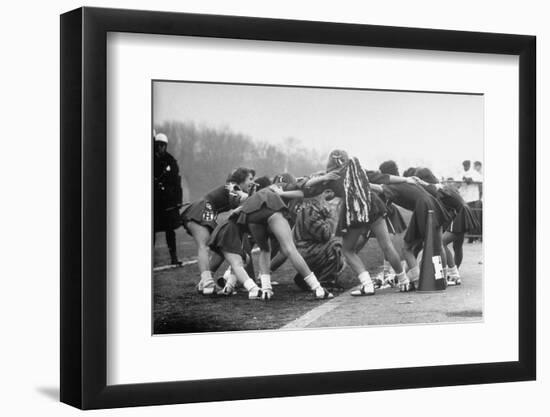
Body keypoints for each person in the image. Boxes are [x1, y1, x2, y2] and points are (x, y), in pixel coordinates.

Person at [297, 150, 418, 295]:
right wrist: (406, 180)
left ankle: (367, 285)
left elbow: (303, 187)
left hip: (353, 211)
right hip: (372, 205)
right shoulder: (358, 170)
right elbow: (384, 178)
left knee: (347, 250)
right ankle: (404, 281)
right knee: (387, 246)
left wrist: (321, 178)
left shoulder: (330, 177)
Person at [234, 181, 334, 300]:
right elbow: (303, 191)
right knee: (290, 249)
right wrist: (325, 177)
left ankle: (266, 289)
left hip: (251, 213)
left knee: (265, 250)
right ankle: (317, 288)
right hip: (270, 206)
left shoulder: (266, 189)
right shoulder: (289, 186)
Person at [378, 161, 452, 290]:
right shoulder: (407, 181)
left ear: (384, 174)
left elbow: (380, 189)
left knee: (407, 248)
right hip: (435, 208)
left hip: (423, 209)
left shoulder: (394, 185)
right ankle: (442, 277)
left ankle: (417, 280)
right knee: (438, 246)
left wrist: (364, 184)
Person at [181, 167, 255, 294]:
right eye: (250, 179)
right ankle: (207, 282)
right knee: (203, 246)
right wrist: (246, 196)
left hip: (207, 210)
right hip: (203, 208)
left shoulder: (234, 188)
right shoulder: (233, 186)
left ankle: (204, 283)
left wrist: (247, 197)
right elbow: (233, 202)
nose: (252, 182)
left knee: (221, 246)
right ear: (241, 180)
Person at [414, 167, 480, 285]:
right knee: (457, 246)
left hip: (461, 215)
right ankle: (455, 273)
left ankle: (454, 274)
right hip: (464, 212)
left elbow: (435, 189)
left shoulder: (439, 187)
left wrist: (422, 183)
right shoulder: (444, 185)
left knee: (442, 243)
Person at [291, 186, 345, 291]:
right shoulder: (310, 212)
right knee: (335, 246)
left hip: (305, 249)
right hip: (306, 251)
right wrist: (330, 216)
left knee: (336, 246)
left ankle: (308, 276)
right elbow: (326, 235)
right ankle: (326, 281)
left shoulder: (308, 208)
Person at [153, 133, 183, 265]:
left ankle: (174, 258)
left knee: (170, 230)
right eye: (158, 145)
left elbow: (177, 182)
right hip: (154, 201)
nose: (160, 148)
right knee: (151, 229)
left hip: (168, 201)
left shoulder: (171, 160)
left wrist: (178, 200)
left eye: (162, 145)